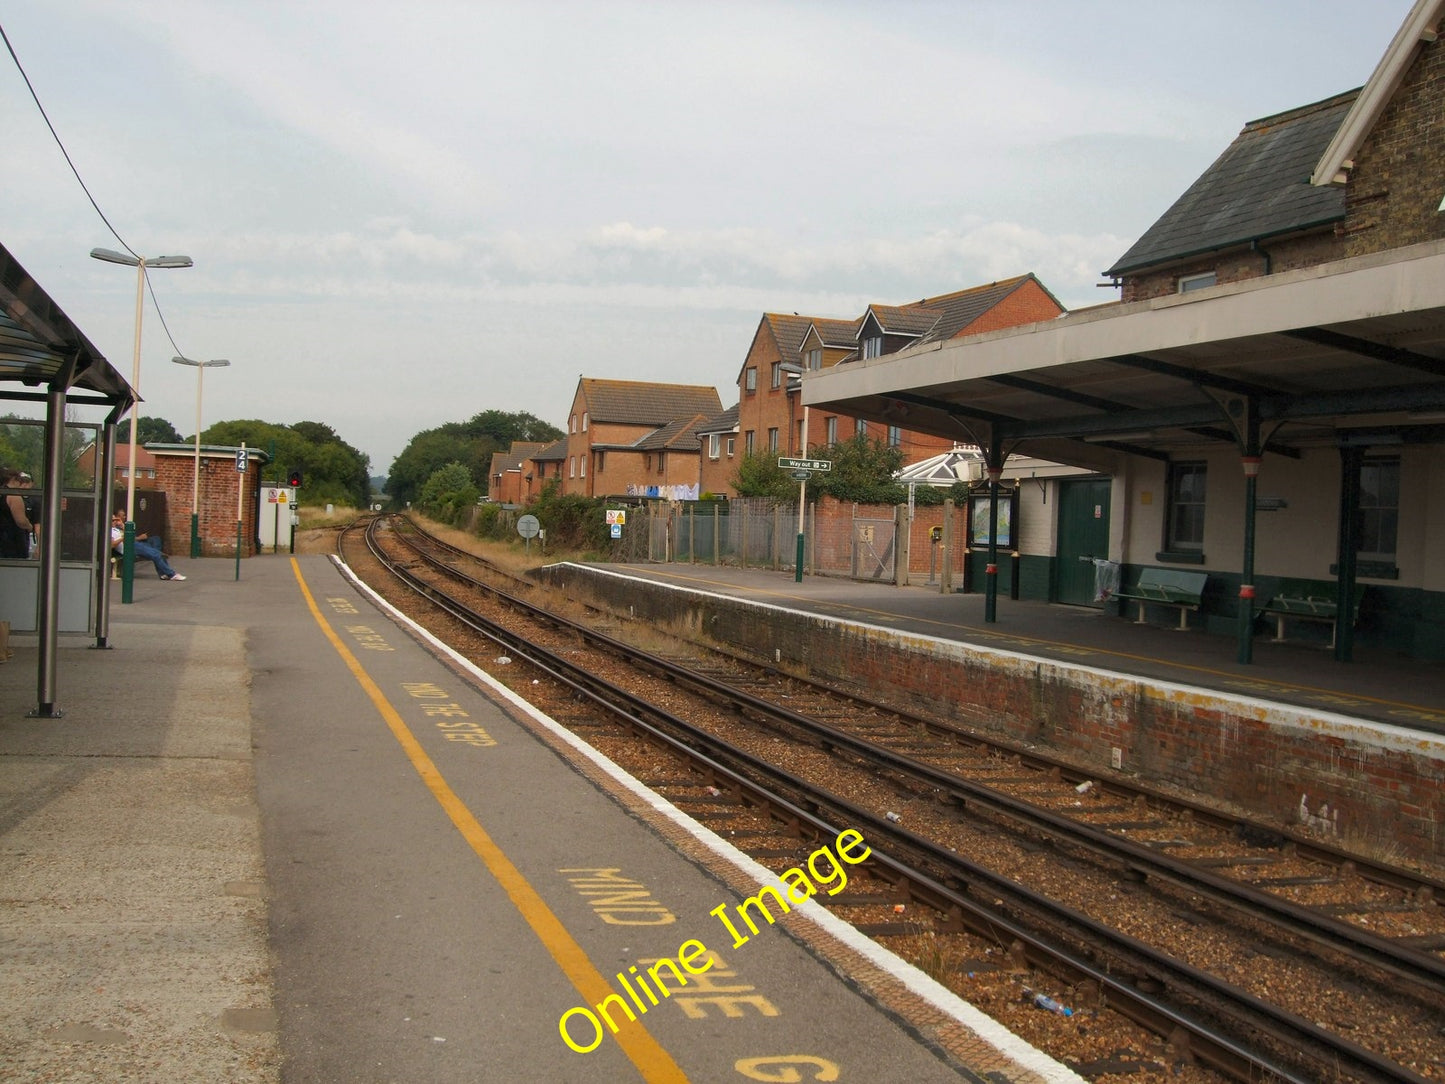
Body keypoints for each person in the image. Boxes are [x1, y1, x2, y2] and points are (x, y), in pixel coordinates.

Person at [110, 510, 185, 581]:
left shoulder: (117, 529)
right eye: (113, 520)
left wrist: (122, 525)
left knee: (157, 550)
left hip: (133, 544)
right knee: (155, 554)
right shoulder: (110, 531)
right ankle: (171, 574)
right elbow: (112, 545)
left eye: (116, 520)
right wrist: (123, 538)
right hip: (128, 547)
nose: (115, 521)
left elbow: (132, 535)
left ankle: (163, 573)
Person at [0, 468, 36, 559]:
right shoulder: (13, 496)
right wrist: (29, 526)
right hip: (11, 539)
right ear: (13, 480)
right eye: (19, 480)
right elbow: (21, 521)